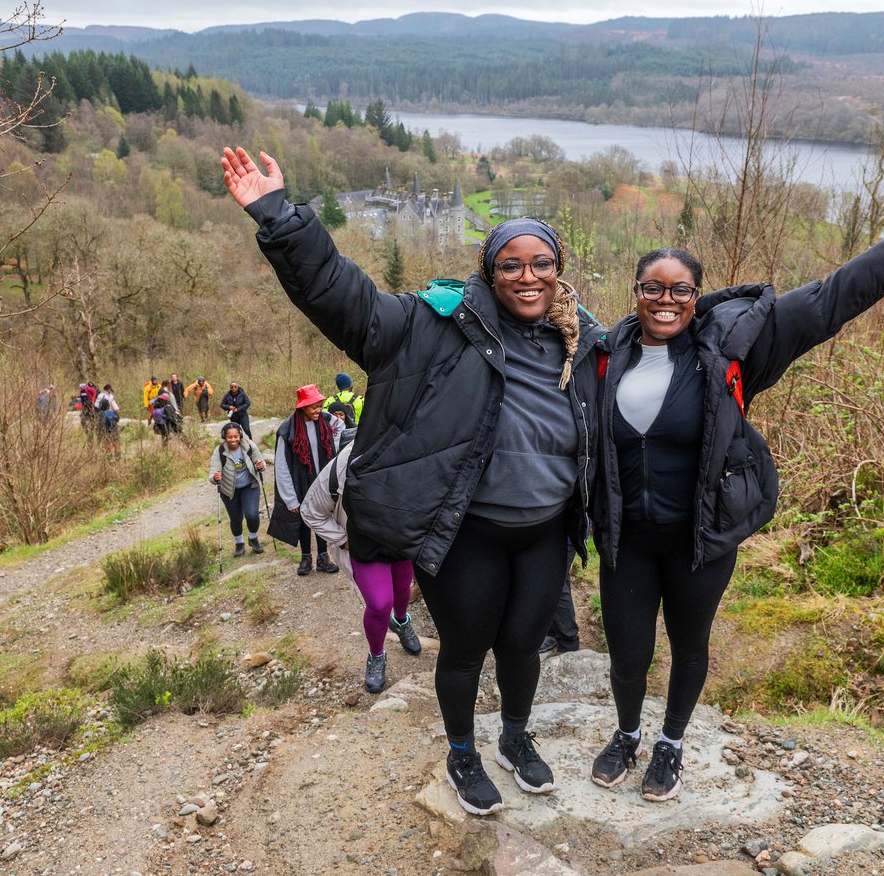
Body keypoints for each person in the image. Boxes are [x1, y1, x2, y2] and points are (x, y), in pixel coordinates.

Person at [222, 145, 604, 817]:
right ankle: (463, 752)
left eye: (541, 263)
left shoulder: (579, 341)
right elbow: (344, 298)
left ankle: (515, 737)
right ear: (490, 270)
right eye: (511, 264)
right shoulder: (433, 324)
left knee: (523, 644)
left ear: (558, 270)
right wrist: (280, 217)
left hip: (544, 531)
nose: (528, 276)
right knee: (465, 645)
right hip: (465, 531)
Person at [588, 202, 884, 803]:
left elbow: (830, 299)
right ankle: (628, 733)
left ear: (697, 296)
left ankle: (672, 743)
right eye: (652, 288)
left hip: (701, 537)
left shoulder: (732, 349)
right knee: (627, 652)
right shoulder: (605, 355)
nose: (666, 299)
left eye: (681, 289)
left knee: (690, 647)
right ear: (635, 292)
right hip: (627, 539)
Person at [301, 444, 421, 693]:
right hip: (363, 545)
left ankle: (400, 621)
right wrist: (342, 540)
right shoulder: (345, 463)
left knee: (401, 591)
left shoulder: (413, 446)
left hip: (399, 537)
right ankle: (377, 655)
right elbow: (310, 511)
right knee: (379, 604)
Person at [267, 384, 345, 575]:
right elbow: (282, 466)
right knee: (302, 519)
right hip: (300, 481)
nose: (318, 410)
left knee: (321, 516)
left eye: (320, 405)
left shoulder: (327, 421)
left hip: (322, 480)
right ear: (302, 407)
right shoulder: (287, 431)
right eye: (314, 407)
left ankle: (323, 557)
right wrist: (289, 498)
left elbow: (343, 429)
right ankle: (305, 557)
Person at [209, 421, 267, 556]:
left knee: (252, 515)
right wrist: (215, 477)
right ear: (225, 437)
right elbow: (213, 473)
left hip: (249, 486)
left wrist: (260, 466)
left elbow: (261, 462)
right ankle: (239, 543)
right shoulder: (220, 451)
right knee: (235, 518)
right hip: (229, 490)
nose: (233, 439)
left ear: (240, 435)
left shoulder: (249, 446)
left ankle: (253, 538)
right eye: (230, 437)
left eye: (236, 436)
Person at [539, 542, 580, 655]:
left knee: (554, 581)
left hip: (564, 537)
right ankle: (554, 634)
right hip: (559, 536)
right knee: (558, 579)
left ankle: (568, 643)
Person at [95, 384, 121, 454]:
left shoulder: (111, 396)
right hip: (112, 423)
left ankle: (109, 454)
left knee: (107, 441)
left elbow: (113, 402)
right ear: (107, 389)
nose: (110, 390)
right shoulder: (101, 395)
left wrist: (117, 409)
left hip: (106, 417)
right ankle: (117, 453)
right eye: (109, 388)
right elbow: (97, 403)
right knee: (115, 439)